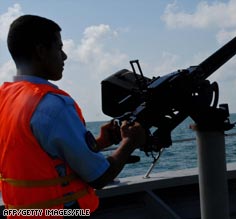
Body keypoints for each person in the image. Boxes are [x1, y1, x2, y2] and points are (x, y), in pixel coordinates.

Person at [0, 14, 146, 216]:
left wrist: (100, 143)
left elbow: (37, 156)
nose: (65, 56)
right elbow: (100, 176)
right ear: (41, 51)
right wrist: (130, 142)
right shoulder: (52, 105)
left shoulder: (5, 100)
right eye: (59, 48)